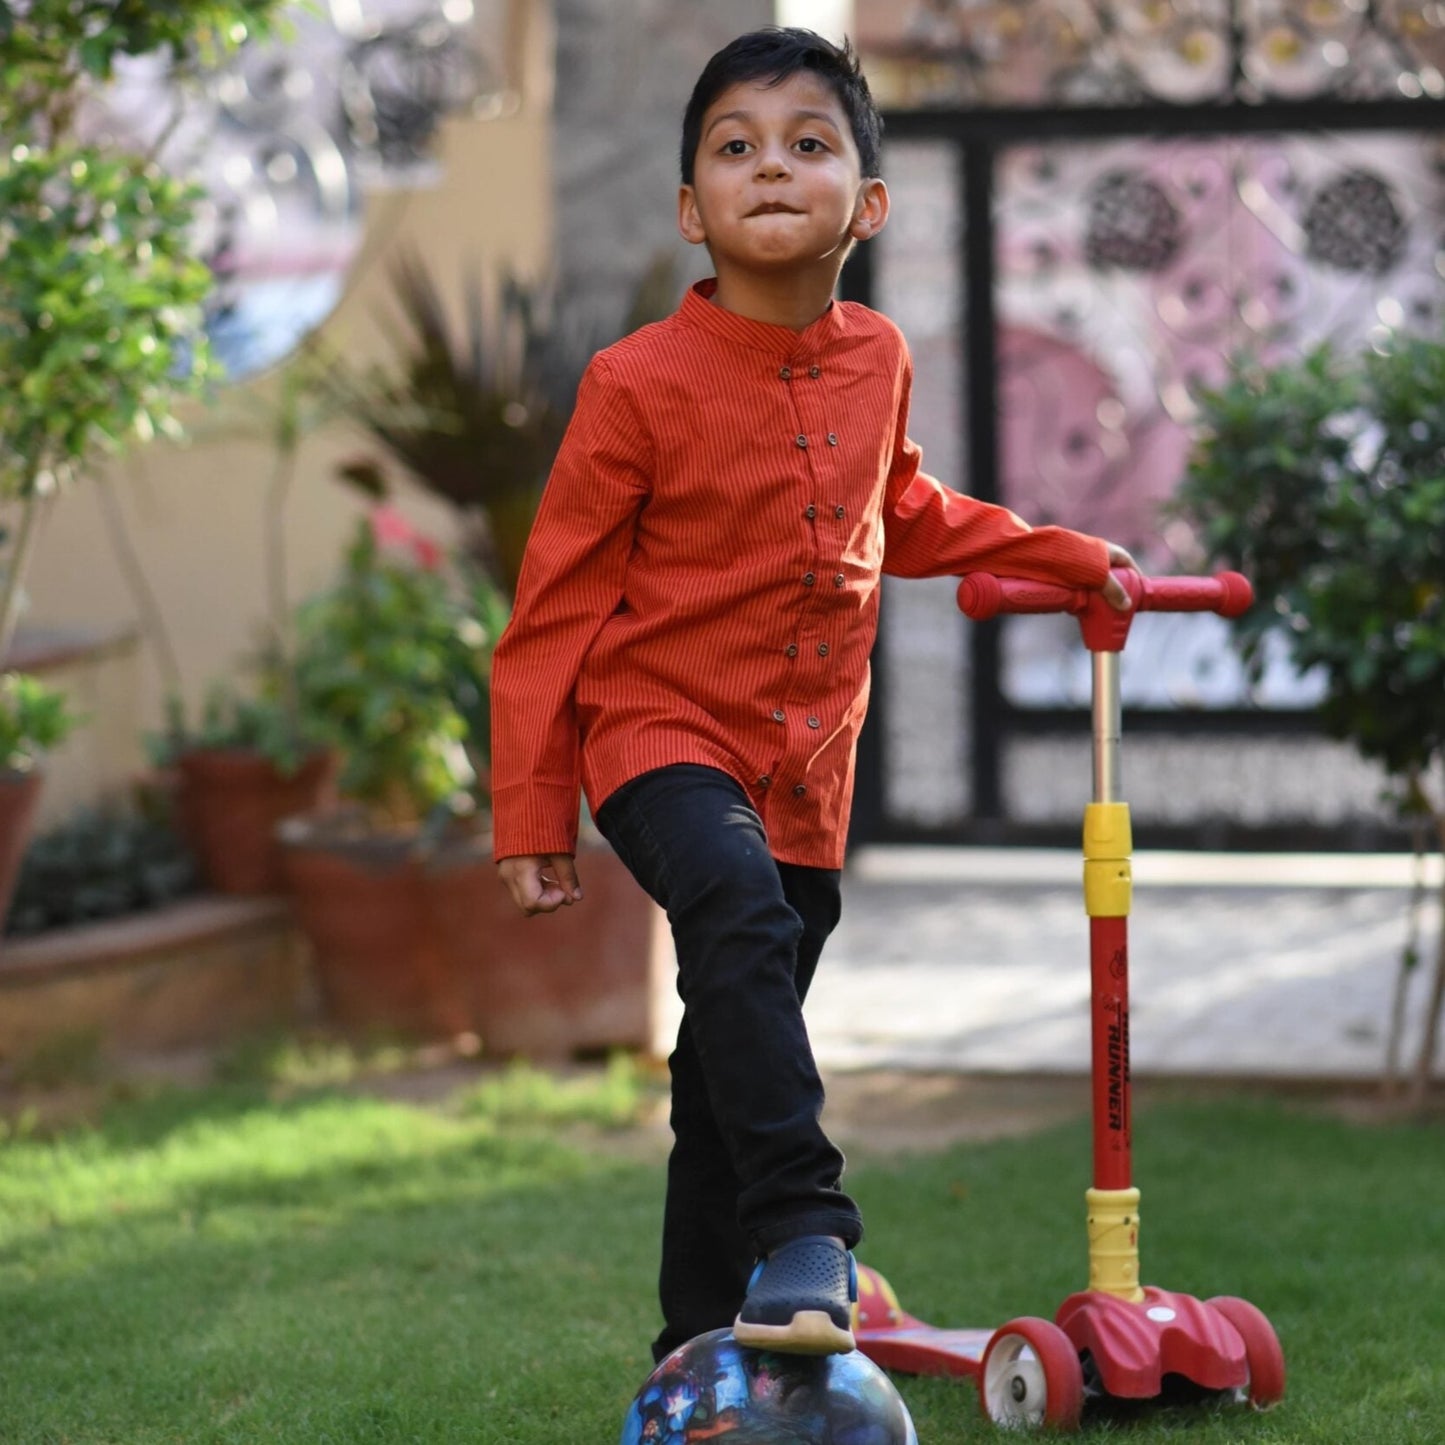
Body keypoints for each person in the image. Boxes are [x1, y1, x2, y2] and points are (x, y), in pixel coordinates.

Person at [489, 26, 1138, 1365]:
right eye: (733, 148)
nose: (768, 168)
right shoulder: (632, 387)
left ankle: (696, 1333)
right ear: (691, 210)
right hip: (655, 732)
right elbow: (553, 606)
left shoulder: (876, 357)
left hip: (806, 770)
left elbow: (899, 507)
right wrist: (531, 808)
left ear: (868, 202)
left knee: (724, 1055)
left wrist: (1062, 554)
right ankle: (805, 1226)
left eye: (806, 144)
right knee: (728, 910)